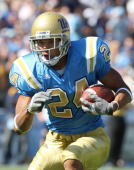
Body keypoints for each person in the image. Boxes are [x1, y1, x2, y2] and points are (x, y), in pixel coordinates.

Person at [9, 11, 132, 170]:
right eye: (40, 42)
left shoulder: (88, 55)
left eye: (50, 41)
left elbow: (125, 91)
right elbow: (19, 128)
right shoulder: (29, 70)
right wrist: (30, 109)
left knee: (72, 160)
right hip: (55, 140)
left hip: (92, 135)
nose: (44, 48)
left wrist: (112, 106)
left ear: (64, 39)